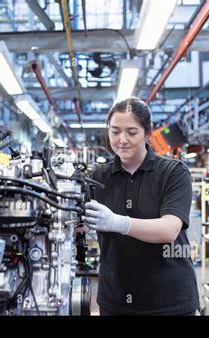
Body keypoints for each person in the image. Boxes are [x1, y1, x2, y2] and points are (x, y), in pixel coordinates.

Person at [82, 97, 199, 316]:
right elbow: (80, 224)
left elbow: (169, 230)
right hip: (116, 301)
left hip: (169, 302)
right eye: (115, 131)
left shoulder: (173, 173)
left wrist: (117, 222)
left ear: (148, 134)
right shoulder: (98, 176)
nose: (122, 140)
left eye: (132, 132)